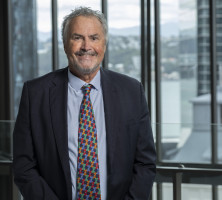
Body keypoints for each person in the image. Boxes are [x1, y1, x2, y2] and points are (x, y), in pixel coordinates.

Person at [13, 6, 156, 200]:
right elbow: (24, 166)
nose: (85, 46)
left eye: (94, 38)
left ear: (104, 45)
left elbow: (145, 164)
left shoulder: (131, 92)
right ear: (65, 44)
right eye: (77, 37)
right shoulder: (36, 93)